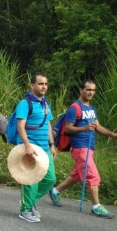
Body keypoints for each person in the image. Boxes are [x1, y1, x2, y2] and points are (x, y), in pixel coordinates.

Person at [49, 80, 117, 219]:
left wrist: (112, 135)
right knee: (92, 176)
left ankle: (55, 191)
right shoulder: (75, 108)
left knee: (78, 174)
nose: (91, 92)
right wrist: (84, 128)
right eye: (88, 89)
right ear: (81, 90)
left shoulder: (91, 108)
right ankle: (96, 207)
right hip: (79, 147)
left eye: (93, 90)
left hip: (89, 146)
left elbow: (97, 126)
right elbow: (68, 128)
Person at [15, 73, 56, 223]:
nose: (44, 86)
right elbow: (20, 126)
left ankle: (29, 201)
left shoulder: (45, 104)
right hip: (31, 147)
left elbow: (48, 125)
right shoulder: (25, 104)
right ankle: (25, 210)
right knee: (31, 180)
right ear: (32, 85)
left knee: (50, 179)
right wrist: (27, 145)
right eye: (40, 84)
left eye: (45, 84)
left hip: (45, 148)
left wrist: (52, 144)